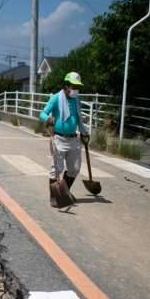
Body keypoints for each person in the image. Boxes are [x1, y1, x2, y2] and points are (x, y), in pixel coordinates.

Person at [39, 72, 90, 207]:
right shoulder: (56, 98)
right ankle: (55, 197)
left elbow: (78, 118)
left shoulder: (76, 99)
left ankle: (64, 192)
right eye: (74, 86)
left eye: (77, 87)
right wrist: (48, 119)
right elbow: (42, 113)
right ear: (66, 86)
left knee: (75, 168)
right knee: (56, 170)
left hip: (74, 138)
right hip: (59, 138)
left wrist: (84, 132)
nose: (76, 89)